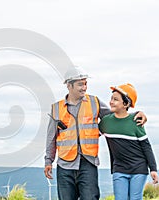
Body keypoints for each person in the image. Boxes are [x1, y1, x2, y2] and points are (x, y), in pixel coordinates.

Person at [43, 66, 147, 200]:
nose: (84, 87)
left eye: (86, 83)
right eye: (80, 84)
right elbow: (51, 138)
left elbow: (116, 117)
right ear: (69, 85)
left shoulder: (94, 102)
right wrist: (48, 161)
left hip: (88, 163)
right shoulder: (56, 109)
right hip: (65, 165)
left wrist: (137, 114)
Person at [99, 83, 158, 200]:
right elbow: (90, 135)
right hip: (119, 169)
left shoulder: (136, 121)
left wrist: (153, 169)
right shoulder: (106, 122)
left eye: (115, 99)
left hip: (138, 169)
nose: (111, 102)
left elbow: (146, 147)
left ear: (126, 104)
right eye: (111, 98)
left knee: (135, 198)